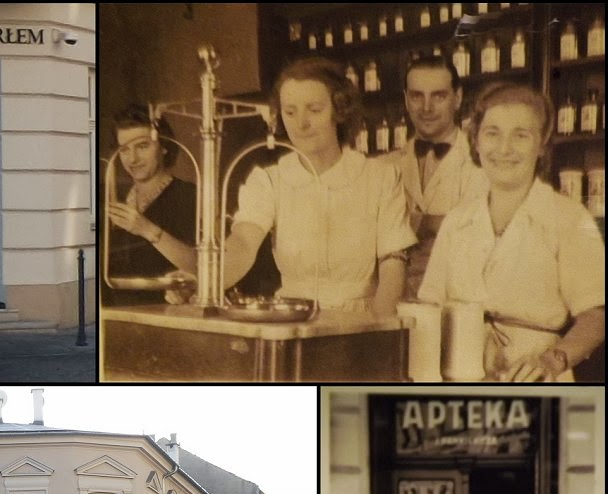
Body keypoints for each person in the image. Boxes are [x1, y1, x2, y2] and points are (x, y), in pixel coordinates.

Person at [418, 81, 605, 381]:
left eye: (521, 135)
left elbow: (596, 317)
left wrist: (552, 360)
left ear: (542, 144)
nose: (504, 149)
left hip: (534, 378)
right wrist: (473, 336)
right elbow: (429, 308)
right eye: (492, 133)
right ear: (476, 141)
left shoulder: (569, 218)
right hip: (459, 373)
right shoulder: (457, 221)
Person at [223, 56, 417, 317]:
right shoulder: (270, 180)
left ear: (340, 110)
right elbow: (243, 244)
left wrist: (379, 329)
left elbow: (393, 265)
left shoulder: (380, 177)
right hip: (292, 318)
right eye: (290, 112)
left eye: (314, 110)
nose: (301, 124)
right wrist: (207, 282)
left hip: (360, 319)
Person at [386, 55, 489, 299]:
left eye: (439, 96)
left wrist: (417, 223)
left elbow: (482, 235)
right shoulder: (387, 166)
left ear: (458, 97)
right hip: (398, 305)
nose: (426, 107)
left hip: (459, 305)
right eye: (416, 96)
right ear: (406, 99)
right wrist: (435, 223)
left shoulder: (484, 163)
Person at [104, 105, 198, 306]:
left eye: (142, 146)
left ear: (164, 146)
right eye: (124, 150)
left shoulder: (189, 196)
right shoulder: (113, 198)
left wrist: (146, 229)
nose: (133, 159)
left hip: (163, 315)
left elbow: (199, 267)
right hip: (115, 316)